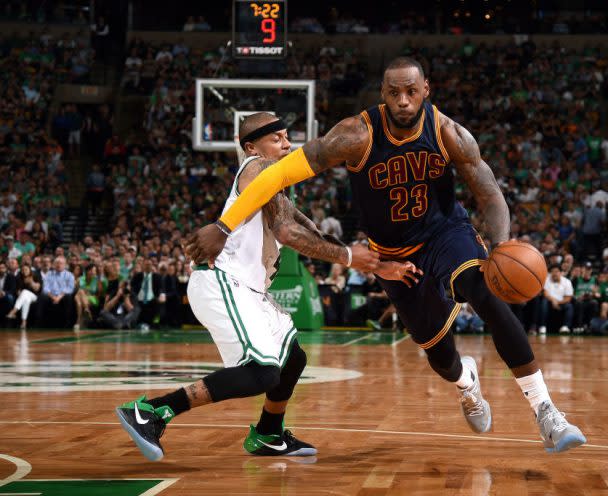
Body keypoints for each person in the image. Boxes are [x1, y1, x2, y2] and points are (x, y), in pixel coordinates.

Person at [185, 58, 586, 453]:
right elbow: (276, 175)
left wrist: (499, 246)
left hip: (446, 233)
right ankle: (467, 383)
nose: (404, 101)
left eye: (412, 91)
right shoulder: (354, 135)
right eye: (394, 93)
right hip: (392, 255)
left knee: (483, 292)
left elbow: (490, 193)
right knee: (441, 357)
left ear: (426, 90)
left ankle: (546, 411)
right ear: (383, 94)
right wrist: (224, 225)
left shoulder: (448, 133)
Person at [116, 114, 417, 461]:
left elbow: (314, 234)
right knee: (261, 373)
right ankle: (152, 412)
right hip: (224, 281)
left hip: (250, 291)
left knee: (293, 359)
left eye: (288, 137)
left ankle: (269, 433)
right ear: (251, 147)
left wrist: (377, 264)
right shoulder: (257, 168)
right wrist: (351, 257)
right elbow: (290, 235)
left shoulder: (276, 188)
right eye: (277, 139)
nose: (287, 145)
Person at [538, 265, 575, 335]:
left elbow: (568, 298)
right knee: (544, 302)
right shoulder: (546, 280)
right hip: (550, 302)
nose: (554, 273)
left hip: (562, 303)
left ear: (561, 273)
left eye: (556, 271)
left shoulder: (567, 282)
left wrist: (557, 302)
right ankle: (542, 326)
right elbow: (546, 294)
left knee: (569, 306)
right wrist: (553, 301)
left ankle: (565, 327)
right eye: (552, 271)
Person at [6, 264, 41, 330]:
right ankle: (24, 322)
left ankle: (13, 311)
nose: (24, 271)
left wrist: (31, 282)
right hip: (24, 298)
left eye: (26, 269)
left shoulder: (35, 276)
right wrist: (19, 293)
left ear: (30, 270)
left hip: (35, 297)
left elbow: (37, 289)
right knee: (26, 300)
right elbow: (17, 291)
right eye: (22, 270)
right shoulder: (19, 278)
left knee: (25, 292)